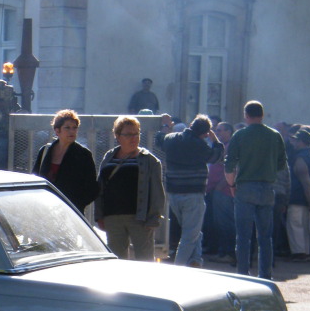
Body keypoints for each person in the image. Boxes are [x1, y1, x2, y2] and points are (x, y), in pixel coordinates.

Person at [223, 101, 289, 280]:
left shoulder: (240, 135)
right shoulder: (275, 135)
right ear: (262, 115)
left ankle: (243, 274)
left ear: (246, 115)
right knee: (265, 237)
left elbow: (229, 164)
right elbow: (282, 163)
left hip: (245, 187)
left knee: (243, 236)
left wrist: (231, 185)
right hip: (267, 188)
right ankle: (265, 275)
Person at [155, 113, 224, 267]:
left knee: (193, 230)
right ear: (205, 133)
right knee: (189, 235)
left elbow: (159, 139)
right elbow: (217, 157)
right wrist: (215, 139)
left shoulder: (172, 139)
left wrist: (166, 126)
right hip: (193, 194)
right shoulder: (201, 146)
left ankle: (196, 260)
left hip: (173, 193)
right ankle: (179, 267)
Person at [93, 115, 165, 261]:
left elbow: (157, 192)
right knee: (117, 260)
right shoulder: (109, 156)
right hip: (112, 217)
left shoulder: (149, 160)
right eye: (128, 134)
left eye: (136, 133)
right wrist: (99, 215)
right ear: (117, 136)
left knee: (144, 260)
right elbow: (100, 188)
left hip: (140, 218)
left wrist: (153, 218)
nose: (133, 138)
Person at [32, 109, 100, 214]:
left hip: (71, 210)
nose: (72, 131)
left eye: (74, 128)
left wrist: (77, 204)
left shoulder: (83, 154)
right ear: (57, 130)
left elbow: (92, 188)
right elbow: (35, 178)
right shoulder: (45, 151)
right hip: (46, 209)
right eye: (67, 128)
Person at [286, 125, 310, 261]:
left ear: (302, 141)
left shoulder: (300, 158)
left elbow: (305, 181)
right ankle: (305, 252)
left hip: (298, 197)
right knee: (305, 227)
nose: (293, 142)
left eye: (296, 140)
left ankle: (299, 254)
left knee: (295, 226)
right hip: (307, 199)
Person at [205, 121, 236, 262]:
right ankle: (222, 251)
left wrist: (221, 185)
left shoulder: (231, 147)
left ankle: (229, 253)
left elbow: (232, 169)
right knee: (217, 223)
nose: (217, 133)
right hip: (215, 189)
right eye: (216, 130)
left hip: (223, 191)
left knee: (225, 223)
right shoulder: (220, 146)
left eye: (220, 130)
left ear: (229, 132)